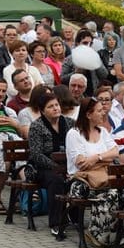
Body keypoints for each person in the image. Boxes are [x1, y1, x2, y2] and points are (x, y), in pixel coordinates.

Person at [66, 97, 124, 247]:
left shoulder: (103, 132)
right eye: (99, 111)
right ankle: (97, 233)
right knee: (111, 194)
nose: (103, 113)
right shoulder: (74, 134)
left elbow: (115, 152)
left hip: (103, 177)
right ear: (88, 114)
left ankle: (122, 235)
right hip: (80, 182)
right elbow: (81, 163)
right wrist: (104, 159)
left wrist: (96, 157)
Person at [28, 91, 74, 235]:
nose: (55, 108)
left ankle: (74, 216)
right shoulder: (37, 126)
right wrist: (56, 167)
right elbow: (36, 154)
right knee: (57, 180)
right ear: (42, 111)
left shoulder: (69, 122)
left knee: (78, 178)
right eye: (50, 107)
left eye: (56, 105)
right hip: (42, 167)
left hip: (67, 163)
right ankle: (56, 223)